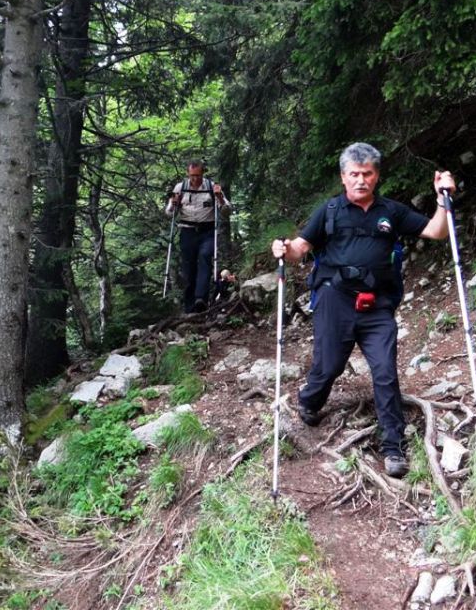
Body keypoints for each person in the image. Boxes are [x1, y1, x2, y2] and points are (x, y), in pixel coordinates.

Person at [270, 142, 455, 478]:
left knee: (385, 372)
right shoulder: (329, 211)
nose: (361, 180)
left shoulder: (392, 212)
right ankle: (310, 402)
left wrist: (443, 199)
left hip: (377, 305)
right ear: (343, 177)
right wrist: (284, 248)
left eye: (367, 174)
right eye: (354, 174)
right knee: (329, 366)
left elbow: (436, 230)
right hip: (334, 300)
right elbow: (301, 247)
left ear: (376, 175)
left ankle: (393, 447)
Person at [166, 161, 232, 313]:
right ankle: (190, 307)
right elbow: (169, 213)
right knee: (188, 268)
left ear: (203, 174)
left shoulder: (211, 187)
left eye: (198, 175)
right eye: (192, 176)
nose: (195, 179)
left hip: (207, 230)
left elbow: (227, 211)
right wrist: (173, 203)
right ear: (188, 174)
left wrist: (220, 198)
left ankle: (200, 298)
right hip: (187, 231)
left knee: (205, 257)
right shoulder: (180, 187)